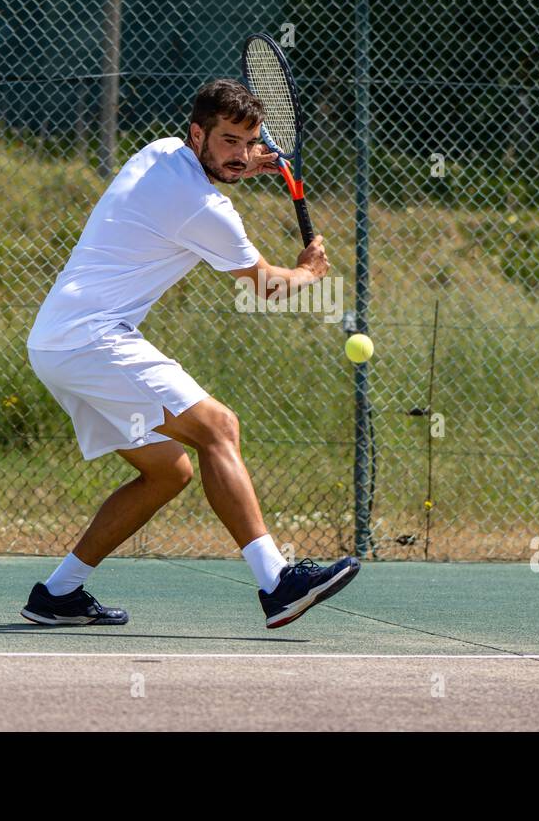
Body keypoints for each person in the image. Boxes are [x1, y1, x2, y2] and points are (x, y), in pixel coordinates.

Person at [21, 79, 359, 629]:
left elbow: (207, 174)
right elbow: (265, 286)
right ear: (198, 132)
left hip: (56, 342)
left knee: (168, 473)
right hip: (92, 338)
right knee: (219, 428)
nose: (241, 155)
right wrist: (308, 271)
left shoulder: (158, 152)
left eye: (249, 144)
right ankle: (276, 583)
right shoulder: (205, 209)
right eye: (228, 141)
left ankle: (57, 593)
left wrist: (251, 168)